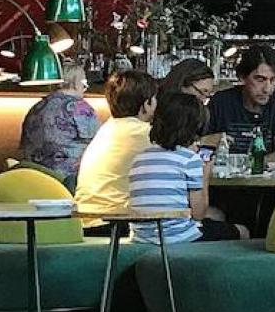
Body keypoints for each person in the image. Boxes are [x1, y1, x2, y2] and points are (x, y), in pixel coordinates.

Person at [128, 91, 244, 244]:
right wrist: (205, 174)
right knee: (242, 230)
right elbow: (199, 213)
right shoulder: (190, 160)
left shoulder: (139, 158)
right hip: (178, 237)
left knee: (216, 217)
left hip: (141, 236)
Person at [75, 69, 158, 224]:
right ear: (147, 104)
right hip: (115, 223)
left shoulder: (106, 129)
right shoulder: (146, 133)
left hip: (85, 220)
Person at [18, 63, 99, 187]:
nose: (85, 86)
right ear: (75, 82)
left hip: (33, 179)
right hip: (68, 181)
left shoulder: (36, 108)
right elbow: (101, 144)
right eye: (83, 81)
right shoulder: (80, 107)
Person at [205, 45, 275, 146]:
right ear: (242, 77)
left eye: (272, 80)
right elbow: (200, 145)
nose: (267, 89)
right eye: (260, 80)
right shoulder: (220, 102)